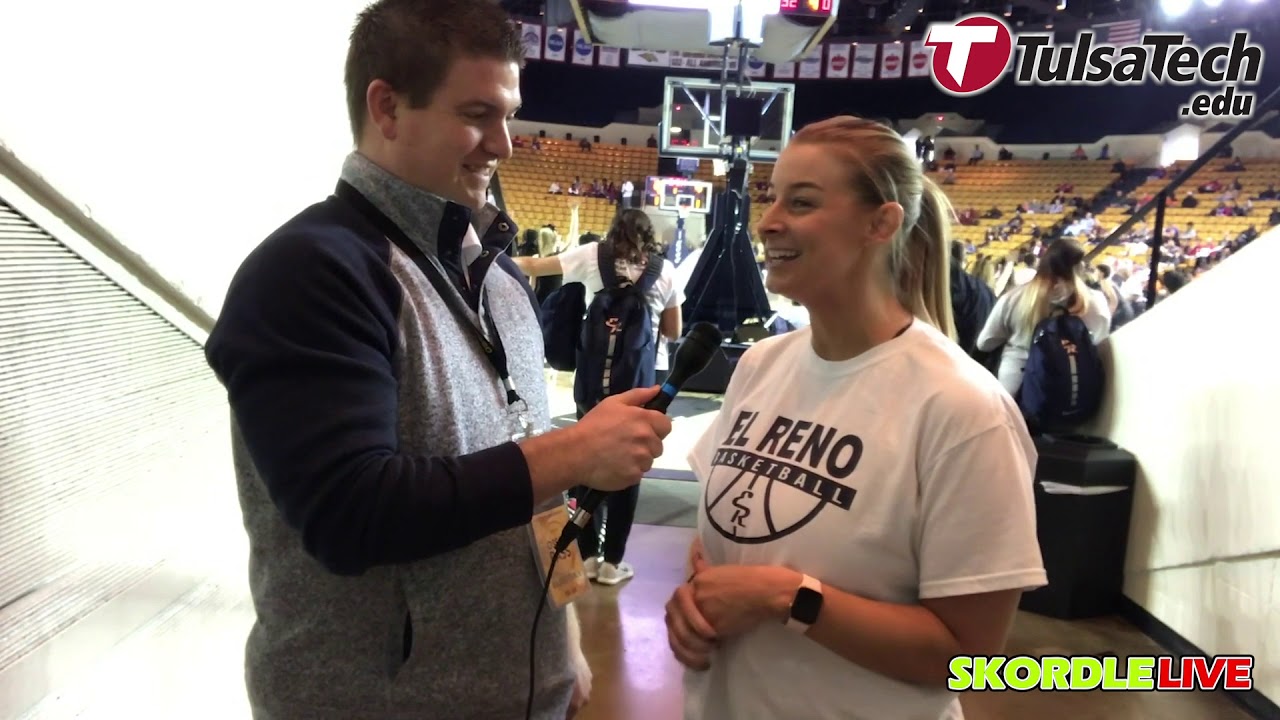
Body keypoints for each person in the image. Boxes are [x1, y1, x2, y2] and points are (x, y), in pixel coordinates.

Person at [202, 2, 672, 718]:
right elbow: (352, 514)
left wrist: (566, 635)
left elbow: (539, 503)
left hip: (527, 695)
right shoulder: (311, 272)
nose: (505, 144)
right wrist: (577, 450)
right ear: (387, 107)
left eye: (509, 115)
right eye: (478, 113)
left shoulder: (505, 283)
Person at [663, 116, 1047, 720]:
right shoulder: (761, 366)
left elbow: (971, 656)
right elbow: (727, 537)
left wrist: (787, 598)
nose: (767, 220)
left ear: (881, 223)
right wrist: (695, 594)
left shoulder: (964, 410)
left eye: (803, 201)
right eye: (772, 197)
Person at [515, 207, 683, 586]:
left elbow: (535, 265)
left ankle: (587, 554)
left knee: (584, 458)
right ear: (649, 237)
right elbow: (673, 331)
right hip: (640, 384)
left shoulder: (594, 256)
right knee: (630, 466)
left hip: (593, 384)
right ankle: (613, 563)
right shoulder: (665, 271)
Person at [975, 238, 1112, 397]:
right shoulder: (1097, 302)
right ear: (1080, 267)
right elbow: (1100, 344)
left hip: (1017, 385)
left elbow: (984, 343)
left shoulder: (1015, 297)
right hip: (1076, 391)